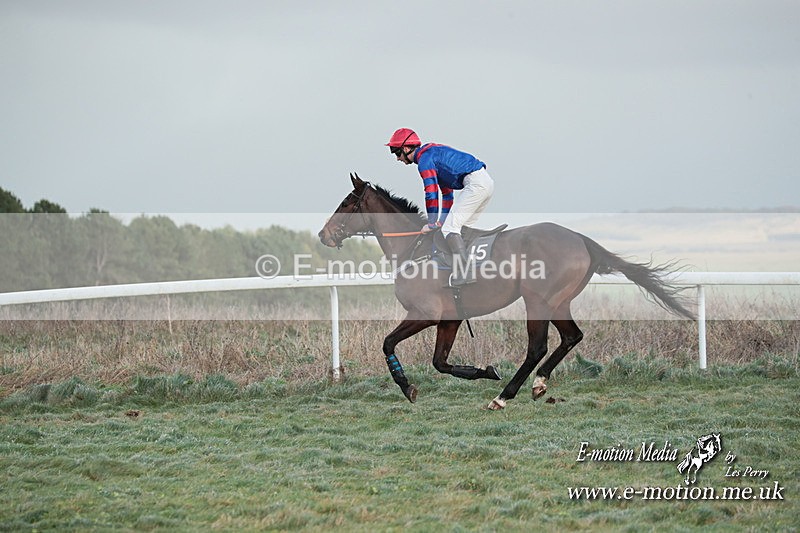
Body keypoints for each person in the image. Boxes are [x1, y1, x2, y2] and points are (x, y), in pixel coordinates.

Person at [386, 127, 494, 286]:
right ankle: (470, 267)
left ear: (407, 148)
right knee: (459, 229)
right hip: (484, 182)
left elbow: (431, 193)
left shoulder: (424, 160)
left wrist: (431, 223)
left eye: (397, 153)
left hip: (476, 184)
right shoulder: (432, 155)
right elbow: (448, 195)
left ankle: (466, 273)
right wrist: (439, 222)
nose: (397, 158)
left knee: (451, 229)